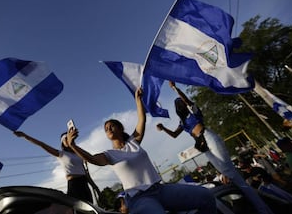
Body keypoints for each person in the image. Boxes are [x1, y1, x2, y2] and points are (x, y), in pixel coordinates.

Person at [66, 88, 216, 214]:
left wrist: (138, 100)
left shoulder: (134, 141)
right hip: (140, 198)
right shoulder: (109, 155)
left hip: (161, 190)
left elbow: (141, 119)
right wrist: (73, 146)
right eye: (106, 129)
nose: (108, 129)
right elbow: (92, 159)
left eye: (112, 125)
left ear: (120, 128)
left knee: (207, 196)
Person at [156, 81, 274, 214]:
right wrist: (163, 128)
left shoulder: (192, 110)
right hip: (201, 144)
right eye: (178, 104)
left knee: (231, 173)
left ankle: (263, 208)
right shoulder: (182, 122)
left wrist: (174, 88)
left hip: (208, 137)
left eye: (180, 102)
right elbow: (174, 135)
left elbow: (186, 100)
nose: (180, 104)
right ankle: (251, 204)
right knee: (228, 175)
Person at [13, 131, 100, 203]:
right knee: (78, 210)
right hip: (74, 184)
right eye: (66, 138)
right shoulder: (61, 154)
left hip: (84, 183)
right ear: (63, 142)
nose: (68, 139)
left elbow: (85, 172)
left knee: (89, 207)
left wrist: (95, 186)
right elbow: (42, 144)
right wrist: (25, 136)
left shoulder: (79, 155)